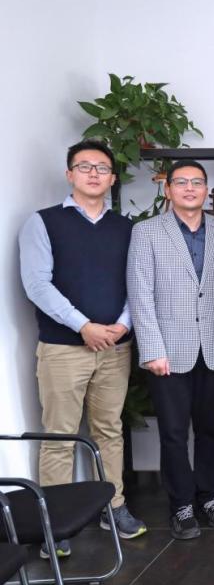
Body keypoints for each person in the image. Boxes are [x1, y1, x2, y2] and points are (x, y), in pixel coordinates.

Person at [18, 140, 147, 557]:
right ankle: (54, 524)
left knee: (109, 430)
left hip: (115, 347)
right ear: (69, 173)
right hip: (63, 349)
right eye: (85, 166)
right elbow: (37, 285)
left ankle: (114, 506)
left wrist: (122, 325)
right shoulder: (43, 222)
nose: (94, 174)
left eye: (102, 168)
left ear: (112, 179)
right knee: (59, 436)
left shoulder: (125, 228)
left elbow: (136, 284)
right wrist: (84, 326)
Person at [127, 159, 214, 540]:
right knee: (174, 433)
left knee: (210, 430)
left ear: (207, 189)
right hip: (168, 351)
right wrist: (151, 348)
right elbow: (140, 294)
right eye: (182, 182)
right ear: (168, 189)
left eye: (197, 182)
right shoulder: (146, 232)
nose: (190, 188)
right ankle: (181, 505)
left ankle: (210, 497)